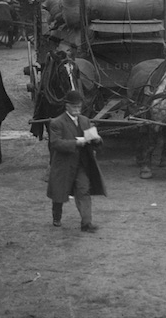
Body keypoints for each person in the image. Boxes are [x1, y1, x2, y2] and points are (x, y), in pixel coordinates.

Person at [47, 90, 106, 232]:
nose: (77, 110)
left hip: (81, 164)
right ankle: (57, 216)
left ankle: (86, 223)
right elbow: (55, 143)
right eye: (74, 107)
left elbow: (93, 138)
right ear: (66, 106)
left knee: (83, 190)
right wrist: (75, 144)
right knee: (59, 194)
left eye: (79, 107)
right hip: (64, 164)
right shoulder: (57, 123)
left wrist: (97, 140)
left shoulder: (85, 121)